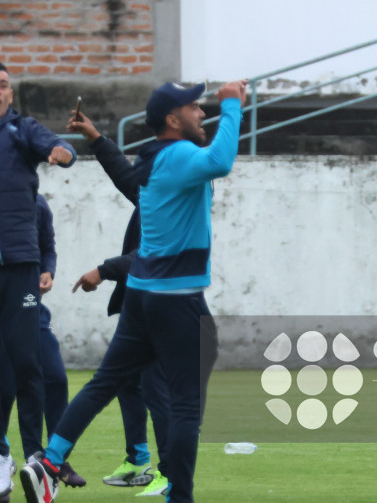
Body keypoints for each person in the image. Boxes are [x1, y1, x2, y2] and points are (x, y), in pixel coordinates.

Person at [20, 79, 247, 503]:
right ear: (171, 119)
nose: (202, 114)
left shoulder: (156, 157)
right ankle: (178, 496)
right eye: (195, 107)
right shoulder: (180, 154)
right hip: (176, 299)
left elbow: (128, 179)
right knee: (184, 406)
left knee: (104, 383)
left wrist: (97, 140)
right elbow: (220, 161)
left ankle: (49, 463)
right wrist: (232, 105)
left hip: (141, 294)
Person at [67, 111, 171, 496]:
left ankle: (169, 471)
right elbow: (125, 177)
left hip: (162, 304)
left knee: (153, 387)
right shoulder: (155, 191)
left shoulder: (176, 197)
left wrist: (104, 269)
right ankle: (139, 459)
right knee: (129, 382)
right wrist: (95, 136)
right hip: (140, 301)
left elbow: (153, 255)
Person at [0, 61, 76, 501]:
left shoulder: (22, 131)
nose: (0, 91)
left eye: (5, 86)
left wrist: (61, 152)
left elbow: (59, 146)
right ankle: (1, 457)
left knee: (29, 363)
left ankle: (36, 460)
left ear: (11, 94)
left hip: (20, 269)